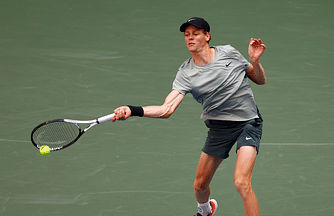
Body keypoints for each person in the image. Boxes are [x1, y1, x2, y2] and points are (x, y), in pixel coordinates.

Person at [112, 17, 266, 216]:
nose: (190, 38)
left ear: (207, 36)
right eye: (187, 35)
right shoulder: (186, 73)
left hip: (248, 122)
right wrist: (132, 110)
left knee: (241, 183)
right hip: (219, 128)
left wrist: (255, 61)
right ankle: (205, 211)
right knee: (200, 186)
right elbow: (166, 109)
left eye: (195, 34)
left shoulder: (229, 52)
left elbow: (259, 80)